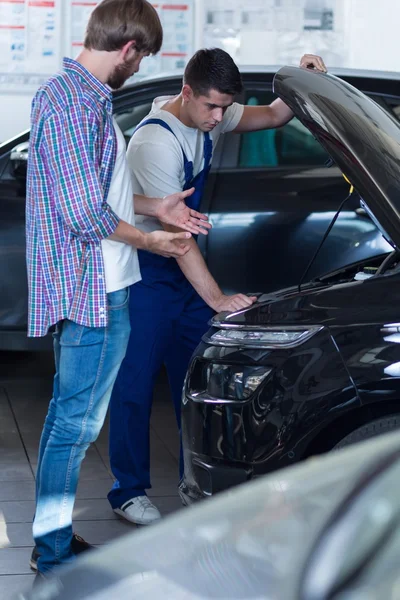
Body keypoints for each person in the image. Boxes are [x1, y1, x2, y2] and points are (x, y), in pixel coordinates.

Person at [26, 0, 211, 579]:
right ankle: (51, 552)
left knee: (71, 422)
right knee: (73, 427)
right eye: (142, 58)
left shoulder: (82, 98)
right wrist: (152, 241)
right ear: (128, 48)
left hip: (101, 283)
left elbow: (94, 193)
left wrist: (156, 207)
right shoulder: (74, 104)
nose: (138, 67)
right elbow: (83, 214)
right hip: (94, 289)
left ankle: (54, 539)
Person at [107, 48, 327, 525]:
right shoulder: (155, 143)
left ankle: (201, 484)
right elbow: (179, 240)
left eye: (225, 107)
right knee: (135, 386)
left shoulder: (210, 115)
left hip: (182, 274)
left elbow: (271, 115)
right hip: (147, 274)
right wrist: (218, 299)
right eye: (211, 106)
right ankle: (127, 491)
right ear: (187, 93)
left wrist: (299, 77)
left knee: (196, 381)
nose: (219, 117)